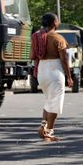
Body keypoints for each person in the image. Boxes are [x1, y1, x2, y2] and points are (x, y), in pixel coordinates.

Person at [30, 12, 73, 142]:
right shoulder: (57, 38)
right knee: (55, 104)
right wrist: (69, 77)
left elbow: (32, 55)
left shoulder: (36, 37)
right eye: (58, 21)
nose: (58, 22)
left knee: (49, 101)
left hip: (42, 71)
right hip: (55, 71)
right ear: (54, 23)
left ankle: (43, 127)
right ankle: (49, 133)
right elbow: (64, 60)